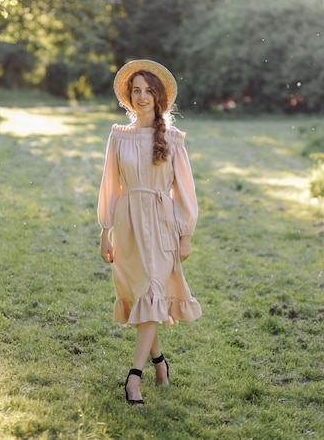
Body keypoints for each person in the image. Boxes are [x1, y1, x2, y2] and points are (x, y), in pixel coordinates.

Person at [98, 59, 202, 406]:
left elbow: (185, 188)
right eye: (136, 90)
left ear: (159, 97)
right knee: (141, 294)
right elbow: (110, 187)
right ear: (129, 96)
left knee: (153, 291)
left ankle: (134, 377)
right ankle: (160, 363)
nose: (142, 97)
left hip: (160, 223)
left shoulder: (172, 138)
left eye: (148, 91)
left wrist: (185, 233)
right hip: (127, 224)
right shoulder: (118, 136)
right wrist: (105, 231)